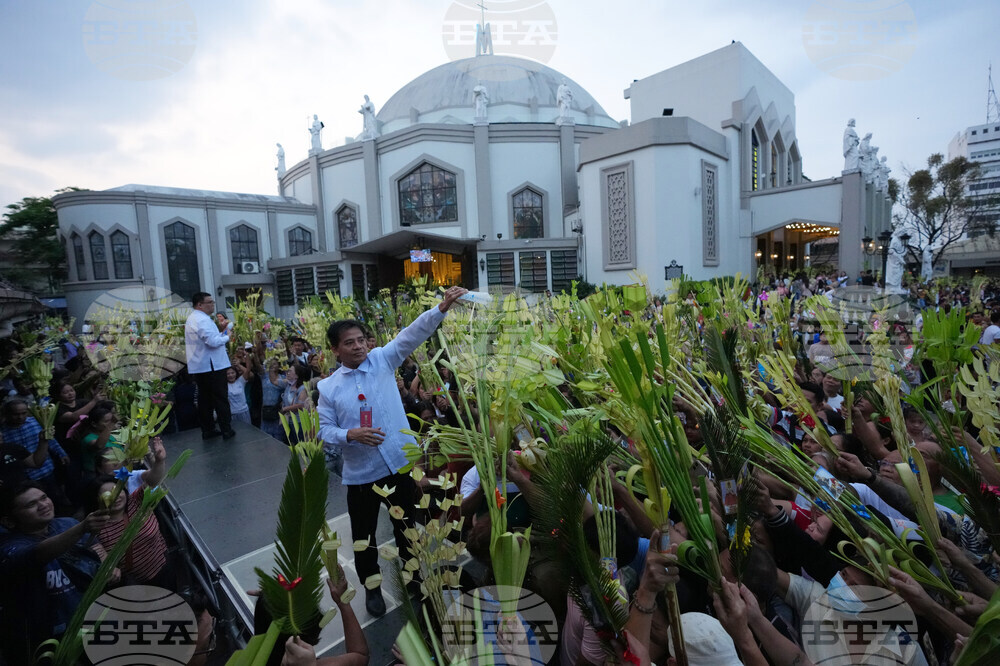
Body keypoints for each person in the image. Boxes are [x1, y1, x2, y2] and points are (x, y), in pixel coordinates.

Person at [317, 285, 467, 617]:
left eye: (361, 340)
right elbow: (324, 431)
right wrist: (350, 434)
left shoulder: (382, 360)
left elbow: (411, 335)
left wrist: (440, 308)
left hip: (399, 467)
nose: (358, 346)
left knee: (407, 527)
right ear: (335, 349)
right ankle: (372, 588)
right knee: (364, 536)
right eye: (349, 343)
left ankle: (413, 577)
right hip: (361, 476)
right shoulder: (328, 388)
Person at [0, 481, 115, 663]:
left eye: (44, 497)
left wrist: (109, 566)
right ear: (8, 520)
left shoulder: (67, 523)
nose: (43, 505)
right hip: (52, 636)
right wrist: (81, 528)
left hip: (93, 618)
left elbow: (95, 547)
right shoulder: (8, 547)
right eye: (31, 504)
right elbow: (35, 554)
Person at [1, 399, 72, 513]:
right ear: (7, 414)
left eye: (24, 413)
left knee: (56, 499)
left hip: (45, 470)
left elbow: (50, 439)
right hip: (24, 478)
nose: (20, 417)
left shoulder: (37, 422)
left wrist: (60, 452)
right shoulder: (3, 432)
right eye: (16, 414)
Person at [184, 292, 236, 440]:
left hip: (201, 365)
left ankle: (208, 429)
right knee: (220, 398)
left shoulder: (193, 318)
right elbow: (212, 342)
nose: (213, 305)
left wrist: (222, 332)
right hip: (212, 365)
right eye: (209, 302)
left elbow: (209, 338)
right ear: (199, 304)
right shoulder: (202, 320)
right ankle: (226, 429)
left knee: (205, 399)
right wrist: (227, 336)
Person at [228, 357, 253, 424]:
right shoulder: (224, 385)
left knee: (246, 429)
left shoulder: (241, 381)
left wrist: (238, 364)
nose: (231, 375)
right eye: (228, 374)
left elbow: (248, 370)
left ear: (236, 373)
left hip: (244, 412)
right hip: (232, 413)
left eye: (232, 373)